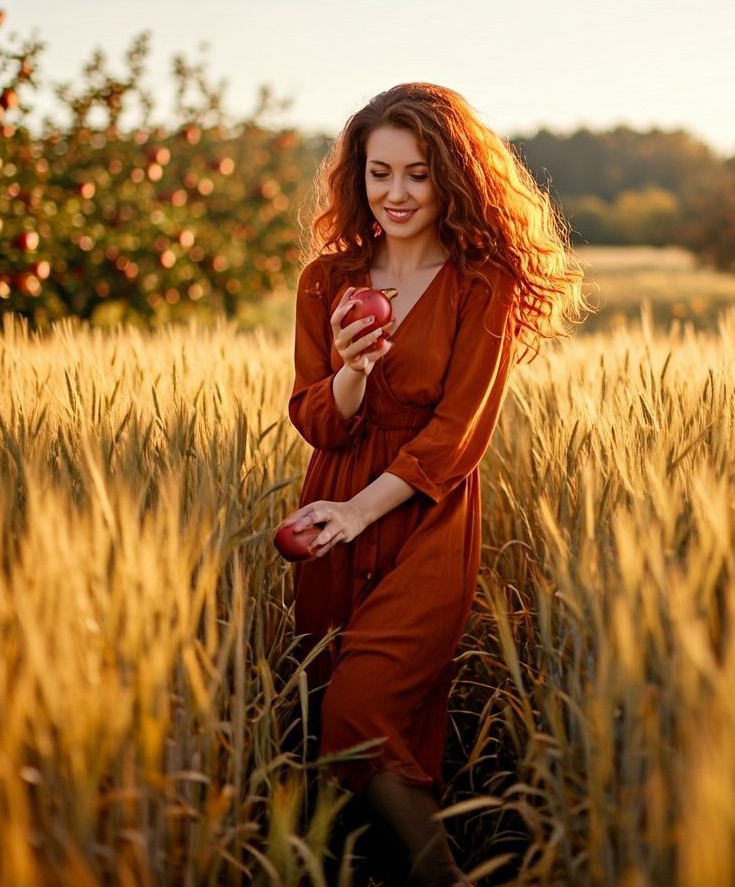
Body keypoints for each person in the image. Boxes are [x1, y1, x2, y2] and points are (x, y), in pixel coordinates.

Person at [281, 82, 587, 886]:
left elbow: (456, 438)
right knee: (335, 716)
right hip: (332, 502)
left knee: (362, 710)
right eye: (380, 172)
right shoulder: (325, 279)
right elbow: (316, 420)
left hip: (422, 515)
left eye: (417, 173)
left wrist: (358, 510)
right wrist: (350, 372)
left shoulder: (483, 283)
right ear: (358, 176)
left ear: (451, 177)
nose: (396, 193)